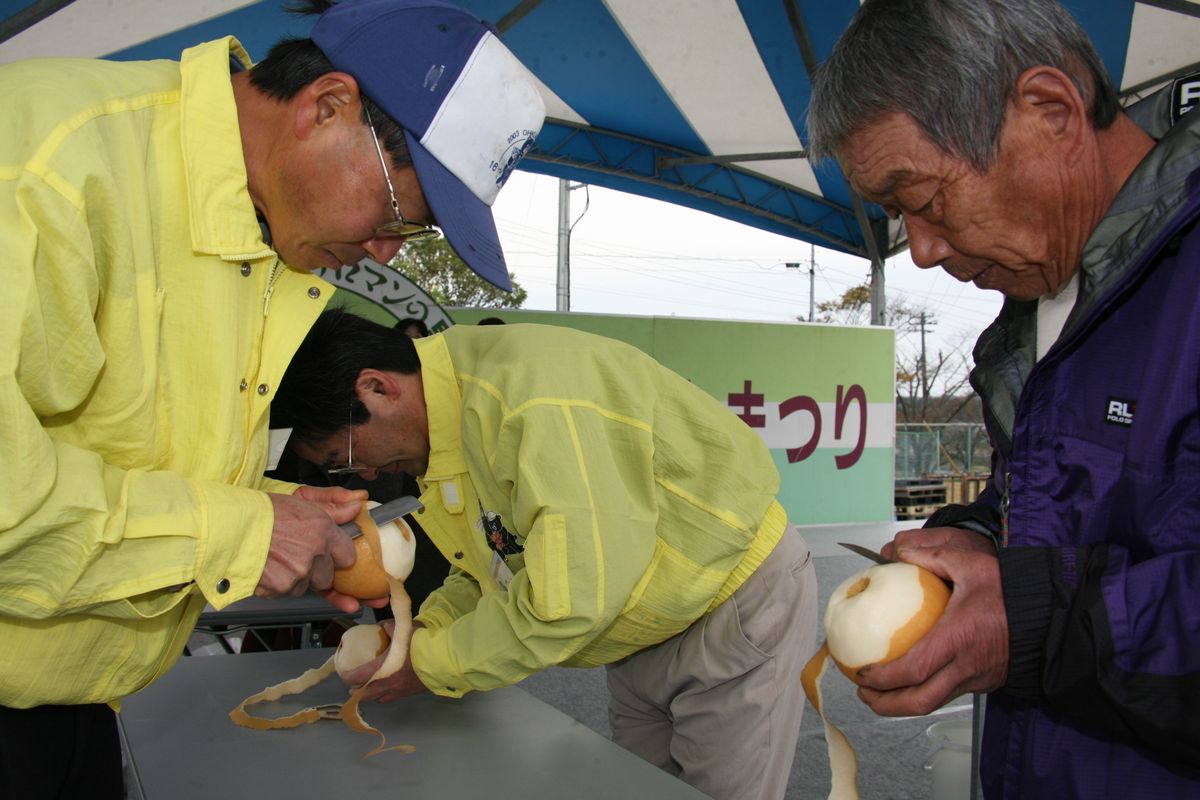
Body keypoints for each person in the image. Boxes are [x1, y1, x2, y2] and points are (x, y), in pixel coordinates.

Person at [0, 0, 544, 796]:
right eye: (399, 216)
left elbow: (123, 456)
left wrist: (287, 516)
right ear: (326, 106)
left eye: (412, 240)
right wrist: (242, 533)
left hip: (72, 708)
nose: (385, 251)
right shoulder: (47, 161)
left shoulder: (268, 243)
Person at [807, 1, 1200, 797]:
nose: (919, 249)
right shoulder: (1044, 302)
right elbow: (1070, 508)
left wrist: (1035, 624)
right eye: (896, 215)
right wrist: (979, 540)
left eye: (923, 196)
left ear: (1050, 110)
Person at [272, 309, 818, 800]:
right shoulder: (454, 420)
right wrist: (421, 630)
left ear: (377, 388)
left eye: (341, 456)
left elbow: (571, 599)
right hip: (644, 628)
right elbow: (495, 564)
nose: (361, 475)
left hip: (732, 609)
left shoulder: (527, 398)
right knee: (639, 787)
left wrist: (429, 663)